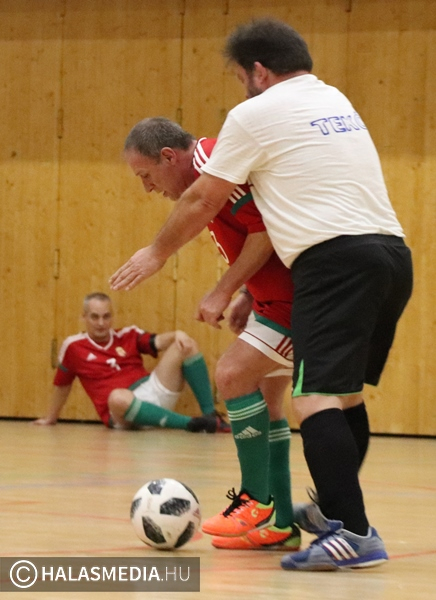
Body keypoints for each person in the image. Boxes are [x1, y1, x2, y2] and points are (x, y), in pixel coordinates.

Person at [110, 18, 413, 571]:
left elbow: (206, 201)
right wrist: (249, 292)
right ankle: (324, 513)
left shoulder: (251, 116)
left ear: (258, 71)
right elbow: (284, 204)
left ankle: (340, 527)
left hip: (332, 266)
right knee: (342, 398)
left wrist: (157, 254)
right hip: (389, 255)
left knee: (305, 397)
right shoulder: (334, 99)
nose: (242, 90)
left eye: (239, 78)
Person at [121, 117, 300, 551]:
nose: (147, 188)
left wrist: (223, 290)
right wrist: (247, 293)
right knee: (270, 403)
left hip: (296, 301)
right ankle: (280, 524)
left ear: (169, 156)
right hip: (273, 299)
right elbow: (263, 227)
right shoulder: (211, 166)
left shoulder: (214, 162)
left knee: (232, 375)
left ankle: (255, 501)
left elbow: (266, 230)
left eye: (146, 175)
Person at [35, 292, 229, 433]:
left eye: (106, 316)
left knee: (186, 345)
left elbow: (158, 341)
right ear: (83, 317)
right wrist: (51, 418)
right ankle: (192, 424)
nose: (101, 323)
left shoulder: (127, 334)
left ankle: (211, 416)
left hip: (151, 388)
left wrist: (178, 334)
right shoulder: (73, 346)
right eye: (94, 317)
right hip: (122, 410)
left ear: (112, 316)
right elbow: (62, 384)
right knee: (117, 397)